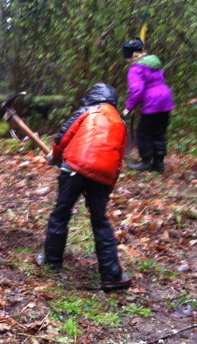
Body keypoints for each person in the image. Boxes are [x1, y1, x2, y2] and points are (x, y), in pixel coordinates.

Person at [36, 83, 131, 292]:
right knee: (100, 221)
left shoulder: (88, 110)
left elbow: (63, 137)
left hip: (75, 168)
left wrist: (56, 157)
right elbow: (117, 159)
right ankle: (111, 275)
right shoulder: (121, 123)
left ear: (92, 98)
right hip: (104, 175)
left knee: (61, 212)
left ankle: (52, 261)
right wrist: (105, 190)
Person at [122, 38, 175, 172]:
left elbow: (137, 90)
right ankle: (158, 163)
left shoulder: (135, 69)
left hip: (152, 101)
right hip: (165, 97)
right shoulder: (154, 64)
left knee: (143, 132)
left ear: (130, 56)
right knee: (159, 132)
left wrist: (128, 107)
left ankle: (146, 162)